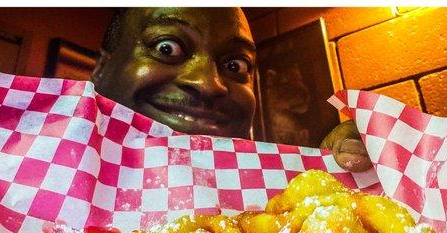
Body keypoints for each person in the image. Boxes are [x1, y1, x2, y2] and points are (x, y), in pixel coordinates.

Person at [91, 7, 371, 172]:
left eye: (235, 66)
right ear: (102, 68)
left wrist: (335, 185)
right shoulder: (48, 179)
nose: (208, 84)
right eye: (167, 48)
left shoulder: (272, 208)